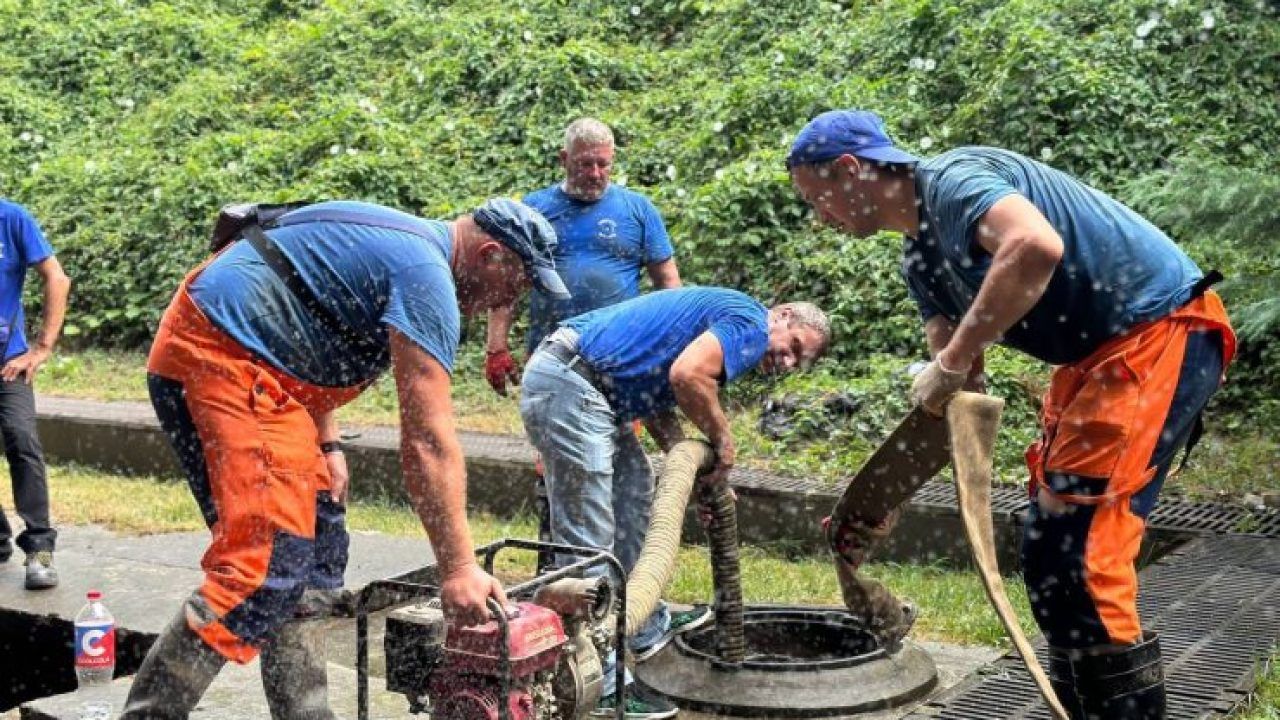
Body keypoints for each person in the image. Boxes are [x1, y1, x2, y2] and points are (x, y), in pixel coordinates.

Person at [788, 109, 1235, 719]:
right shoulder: (920, 261)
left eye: (820, 200)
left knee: (1081, 551)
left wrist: (953, 357)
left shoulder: (954, 180)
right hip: (1092, 363)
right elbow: (955, 392)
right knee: (1047, 549)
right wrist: (881, 499)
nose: (823, 219)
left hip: (1158, 334)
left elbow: (1034, 245)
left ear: (850, 169)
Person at [119, 199, 570, 719]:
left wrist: (326, 441)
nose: (511, 301)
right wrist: (459, 567)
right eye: (516, 287)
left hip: (273, 378)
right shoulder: (426, 275)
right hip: (219, 357)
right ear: (492, 256)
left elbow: (306, 311)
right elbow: (427, 439)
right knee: (264, 568)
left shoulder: (406, 245)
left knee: (317, 563)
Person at [519, 287, 830, 719]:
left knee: (632, 496)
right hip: (573, 383)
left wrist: (690, 466)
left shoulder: (727, 322)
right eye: (794, 346)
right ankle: (599, 681)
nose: (787, 361)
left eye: (800, 361)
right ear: (783, 315)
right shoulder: (752, 325)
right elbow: (688, 378)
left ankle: (640, 622)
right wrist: (723, 441)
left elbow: (662, 394)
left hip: (590, 387)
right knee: (587, 537)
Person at [484, 117, 681, 394]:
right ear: (564, 159)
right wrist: (496, 347)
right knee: (550, 433)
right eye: (585, 164)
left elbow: (668, 283)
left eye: (604, 164)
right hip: (550, 353)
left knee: (619, 435)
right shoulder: (533, 210)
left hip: (620, 352)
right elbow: (506, 286)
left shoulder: (638, 210)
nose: (595, 174)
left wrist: (671, 342)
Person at [0, 199, 71, 590]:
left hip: (8, 362)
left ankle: (40, 550)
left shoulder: (11, 219)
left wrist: (42, 348)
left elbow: (57, 279)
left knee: (22, 439)